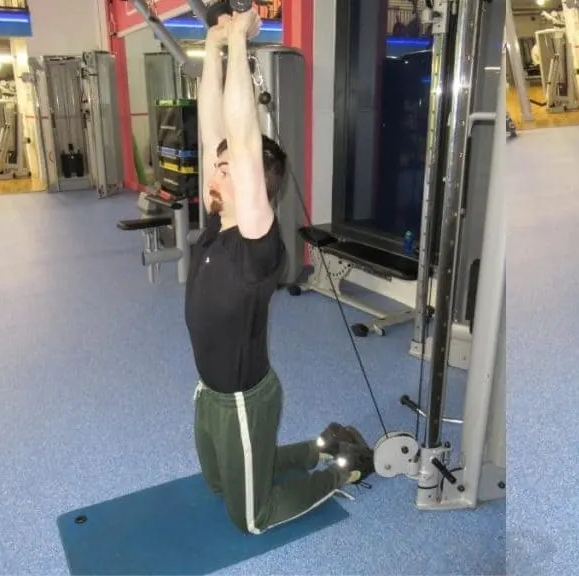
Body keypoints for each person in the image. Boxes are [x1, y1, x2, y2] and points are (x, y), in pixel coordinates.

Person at [186, 5, 373, 534]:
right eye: (217, 167)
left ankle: (344, 471)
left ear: (252, 191)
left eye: (226, 170)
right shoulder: (216, 225)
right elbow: (214, 131)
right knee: (218, 486)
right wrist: (216, 45)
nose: (215, 172)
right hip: (209, 393)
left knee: (251, 517)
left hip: (244, 399)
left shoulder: (256, 247)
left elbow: (243, 143)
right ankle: (320, 444)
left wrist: (243, 43)